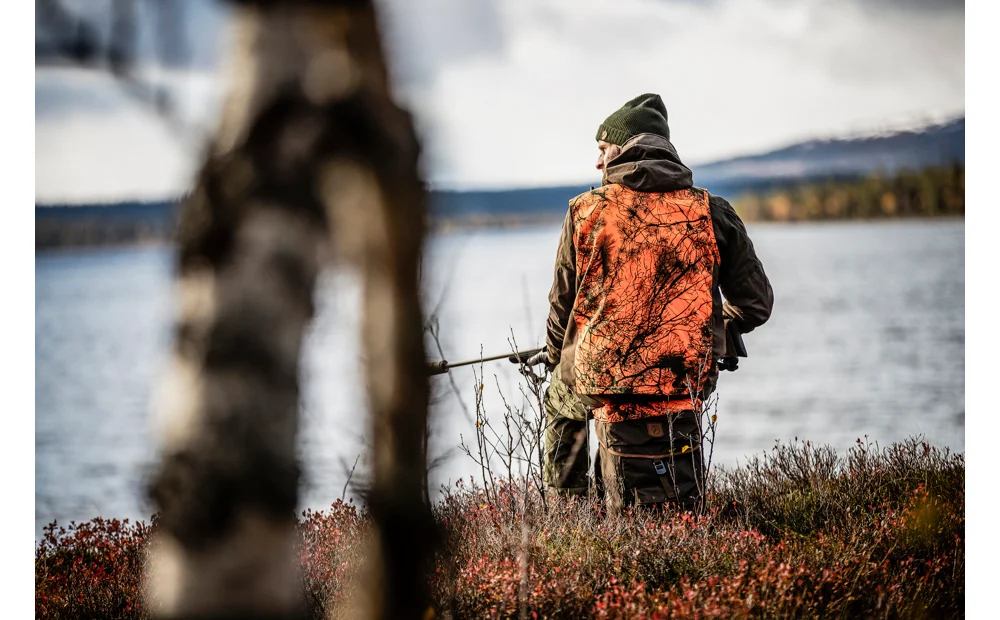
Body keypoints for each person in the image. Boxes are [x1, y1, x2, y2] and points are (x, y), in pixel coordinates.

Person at [521, 93, 773, 511]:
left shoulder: (585, 212)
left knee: (559, 398)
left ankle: (568, 514)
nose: (598, 163)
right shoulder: (712, 211)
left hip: (605, 385)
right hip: (684, 382)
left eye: (602, 150)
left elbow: (561, 312)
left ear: (625, 146)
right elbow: (756, 305)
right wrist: (717, 331)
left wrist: (553, 355)